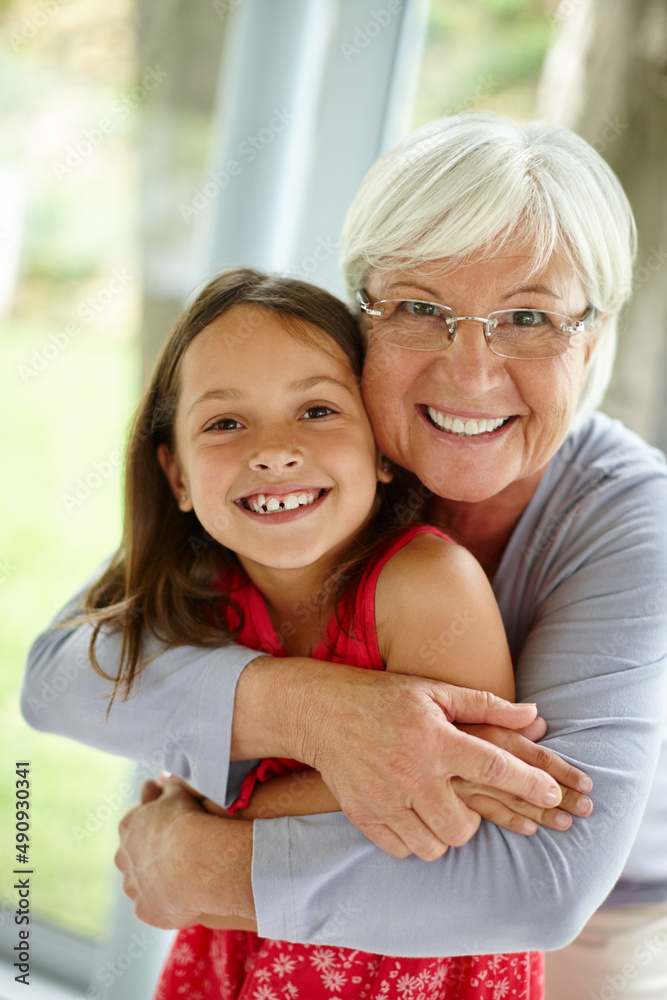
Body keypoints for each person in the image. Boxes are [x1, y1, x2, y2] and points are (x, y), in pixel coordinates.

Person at [22, 113, 667, 998]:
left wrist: (211, 858)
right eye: (417, 307)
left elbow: (540, 886)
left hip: (602, 924)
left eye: (528, 317)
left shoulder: (636, 520)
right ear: (357, 317)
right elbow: (60, 675)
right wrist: (312, 713)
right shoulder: (305, 466)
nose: (470, 372)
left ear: (589, 342)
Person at [66, 266, 563, 998]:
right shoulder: (199, 595)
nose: (273, 450)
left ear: (381, 452)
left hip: (405, 961)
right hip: (241, 940)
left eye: (318, 412)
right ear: (175, 476)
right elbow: (75, 684)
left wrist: (214, 813)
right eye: (225, 423)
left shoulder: (424, 586)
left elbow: (454, 795)